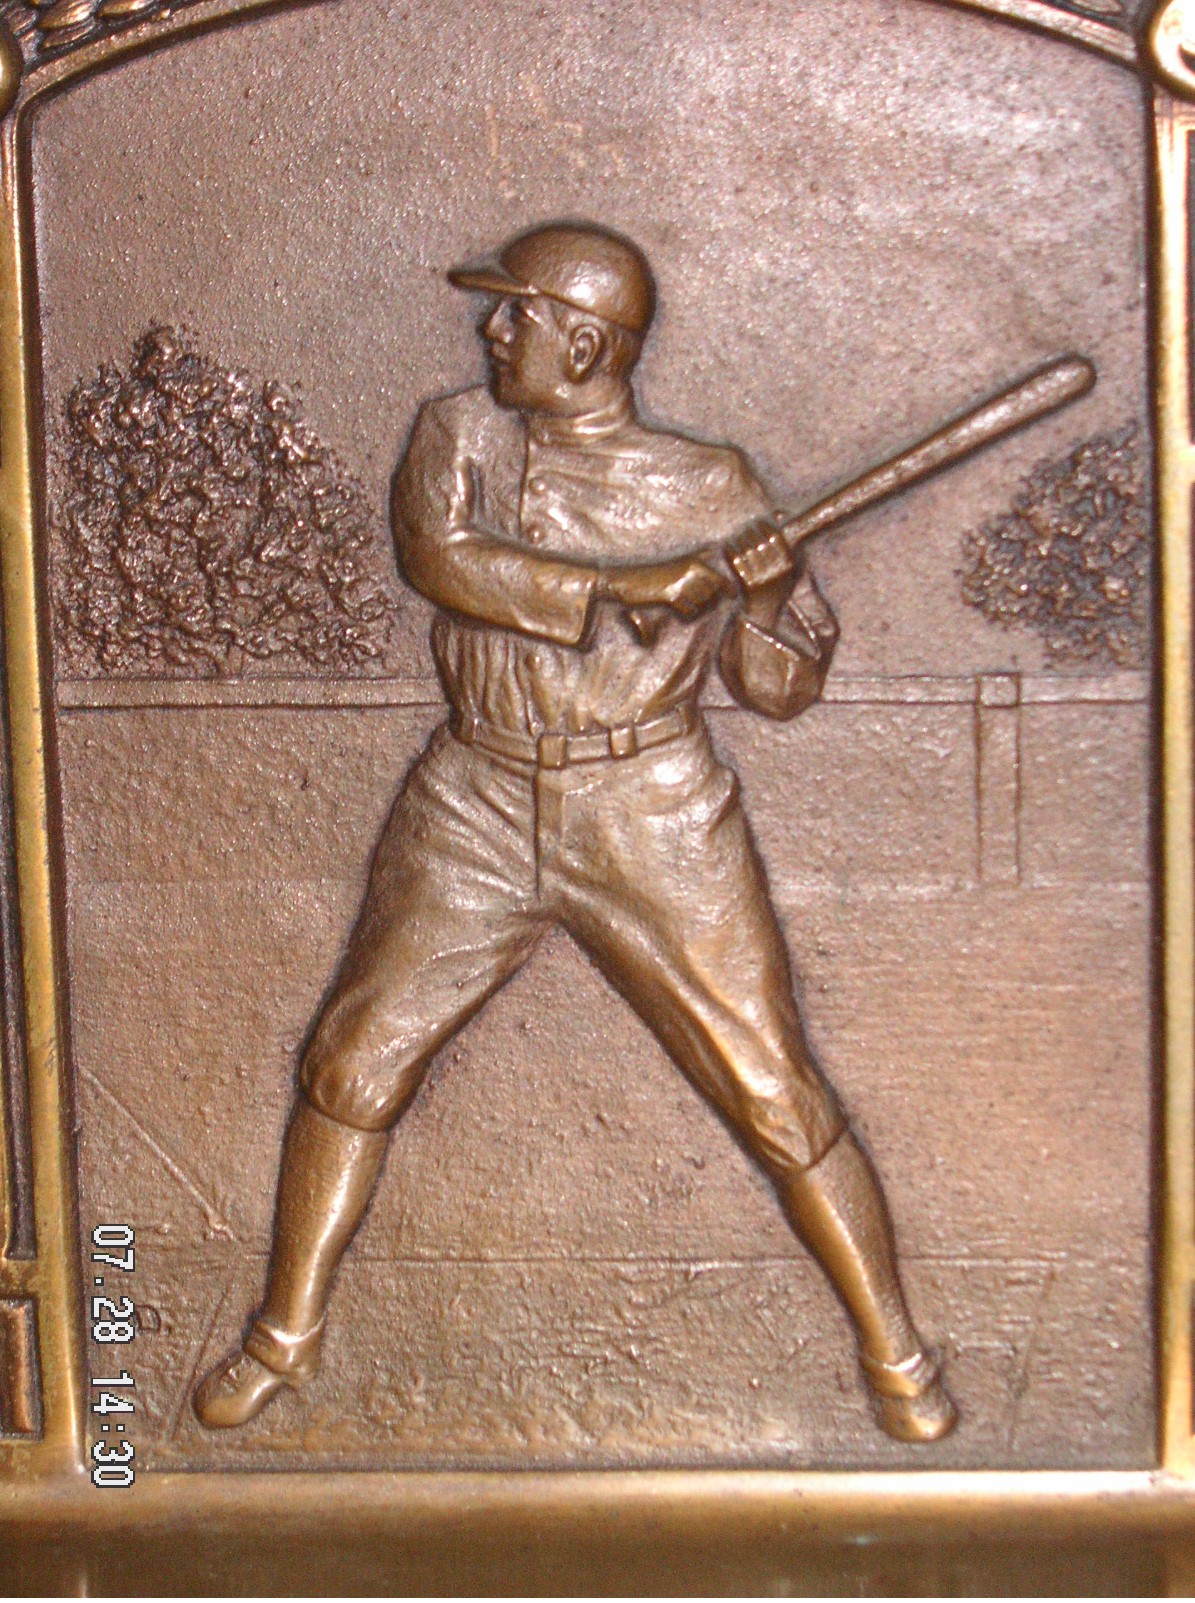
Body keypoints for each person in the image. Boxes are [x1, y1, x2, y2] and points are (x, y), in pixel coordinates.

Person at [193, 221, 957, 1443]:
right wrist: (616, 586)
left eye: (517, 313)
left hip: (650, 805)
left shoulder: (709, 484)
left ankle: (898, 1357)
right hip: (476, 793)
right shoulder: (459, 434)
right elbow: (438, 557)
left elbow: (777, 690)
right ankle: (282, 1338)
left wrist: (766, 591)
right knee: (350, 1062)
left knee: (774, 1093)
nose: (492, 330)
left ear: (587, 344)